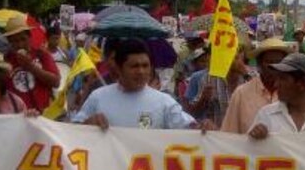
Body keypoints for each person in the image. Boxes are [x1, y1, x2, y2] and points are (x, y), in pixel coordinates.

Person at [74, 39, 207, 130]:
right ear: (119, 68)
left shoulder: (164, 102)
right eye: (134, 66)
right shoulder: (98, 97)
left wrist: (204, 128)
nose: (141, 71)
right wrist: (88, 124)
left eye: (145, 66)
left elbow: (191, 129)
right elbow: (71, 132)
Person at [220, 38, 291, 134]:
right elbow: (228, 133)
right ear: (259, 64)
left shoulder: (293, 94)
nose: (274, 67)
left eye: (279, 62)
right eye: (269, 62)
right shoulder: (241, 94)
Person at [2, 14, 60, 113]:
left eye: (23, 39)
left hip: (41, 116)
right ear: (9, 42)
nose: (20, 44)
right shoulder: (6, 60)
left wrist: (30, 66)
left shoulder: (42, 55)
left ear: (29, 37)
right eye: (15, 41)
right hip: (16, 116)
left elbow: (56, 82)